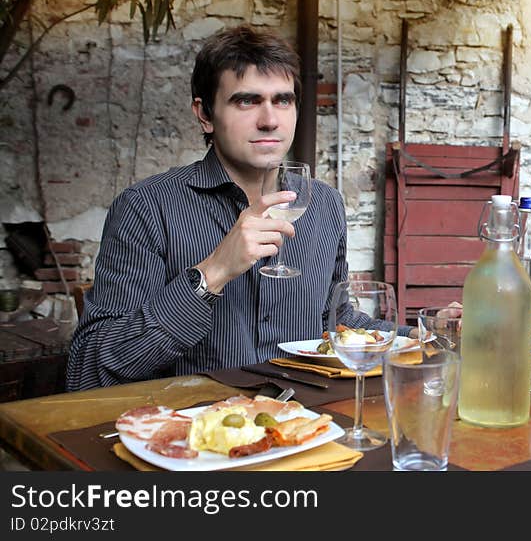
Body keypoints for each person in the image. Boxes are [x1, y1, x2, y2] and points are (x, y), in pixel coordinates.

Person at [66, 24, 366, 391]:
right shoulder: (146, 208)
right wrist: (211, 274)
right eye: (247, 100)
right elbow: (88, 368)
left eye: (282, 100)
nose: (270, 119)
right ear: (205, 114)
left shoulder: (324, 204)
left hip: (304, 428)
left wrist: (427, 332)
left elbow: (337, 320)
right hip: (192, 436)